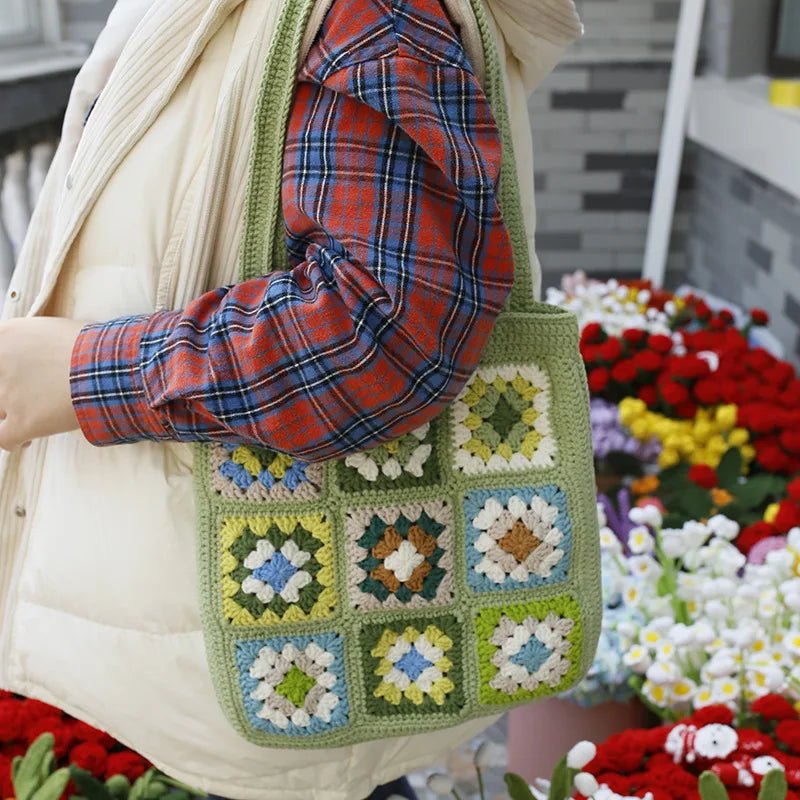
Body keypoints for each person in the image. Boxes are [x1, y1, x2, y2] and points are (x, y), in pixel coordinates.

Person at [0, 1, 583, 798]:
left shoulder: (363, 13)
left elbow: (380, 333)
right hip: (232, 612)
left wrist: (86, 374)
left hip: (286, 638)